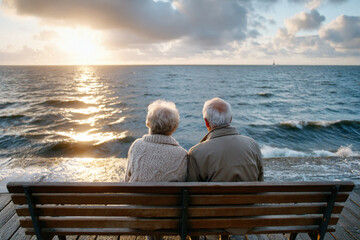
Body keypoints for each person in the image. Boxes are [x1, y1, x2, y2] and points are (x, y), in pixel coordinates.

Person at [188, 97, 263, 240]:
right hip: (247, 219)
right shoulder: (253, 145)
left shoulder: (196, 152)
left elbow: (192, 196)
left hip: (213, 222)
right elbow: (260, 183)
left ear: (206, 122)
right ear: (231, 119)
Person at [125, 99, 187, 182]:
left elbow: (127, 179)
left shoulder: (137, 145)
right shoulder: (182, 155)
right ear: (174, 127)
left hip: (135, 195)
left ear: (148, 123)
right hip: (167, 195)